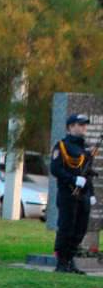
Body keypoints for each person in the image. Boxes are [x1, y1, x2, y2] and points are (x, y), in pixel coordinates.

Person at [50, 113, 97, 274]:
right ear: (71, 127)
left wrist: (91, 193)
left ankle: (70, 261)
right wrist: (73, 179)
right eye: (80, 124)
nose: (84, 127)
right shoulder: (62, 146)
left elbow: (88, 172)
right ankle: (62, 262)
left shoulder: (84, 148)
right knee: (66, 228)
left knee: (80, 229)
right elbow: (55, 169)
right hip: (68, 194)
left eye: (85, 124)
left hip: (83, 195)